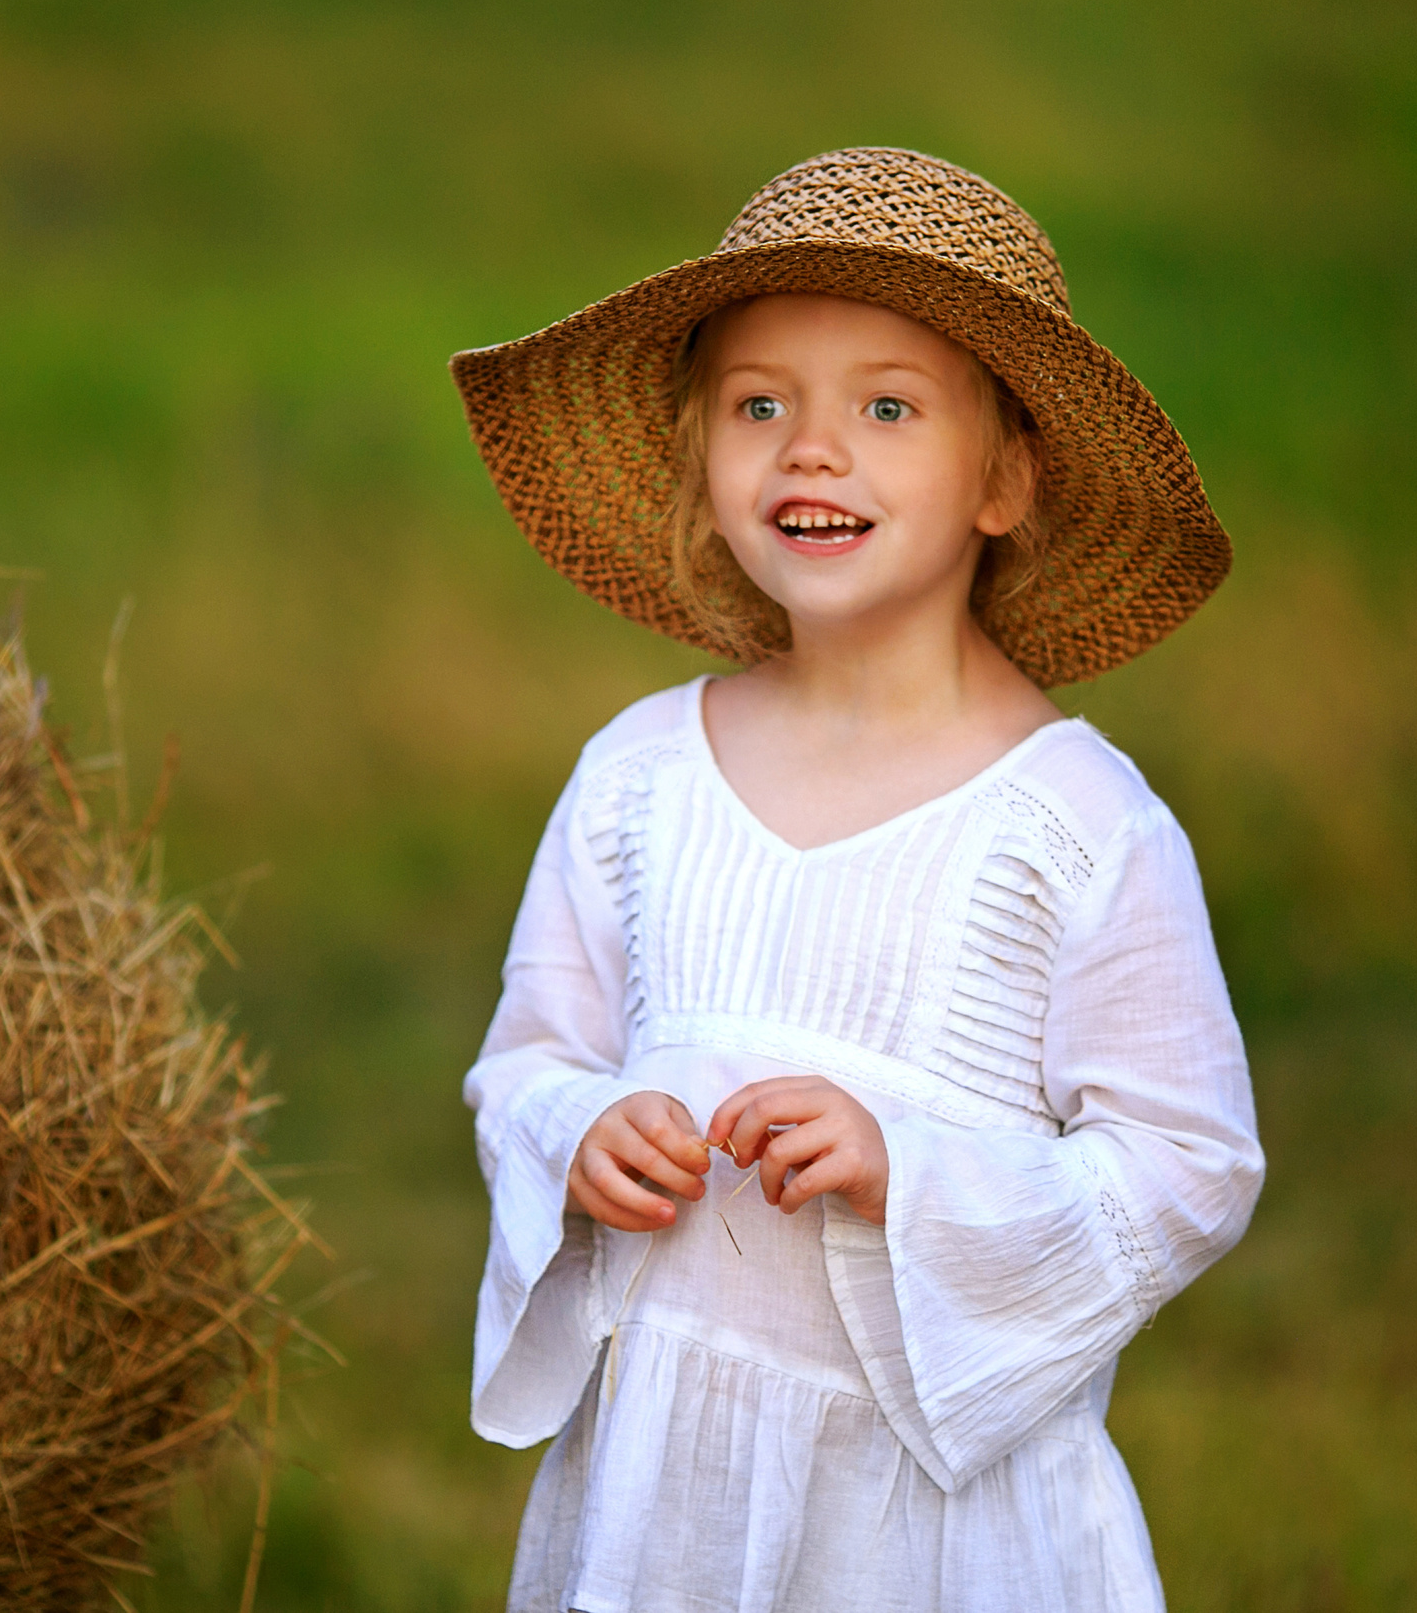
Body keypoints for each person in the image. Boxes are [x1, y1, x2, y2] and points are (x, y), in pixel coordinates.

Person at [452, 148, 1264, 1613]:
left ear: (1007, 475)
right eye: (761, 405)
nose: (811, 453)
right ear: (704, 452)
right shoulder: (638, 781)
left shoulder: (1079, 827)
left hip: (931, 1526)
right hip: (668, 1501)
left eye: (887, 408)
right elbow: (527, 1062)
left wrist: (918, 1170)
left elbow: (1186, 1167)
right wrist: (580, 1130)